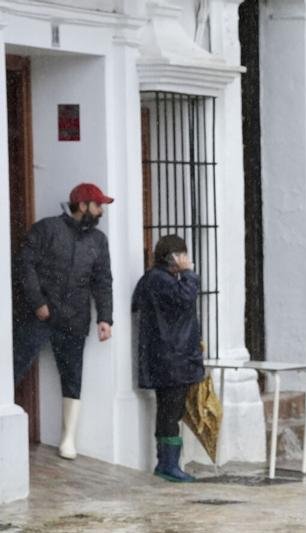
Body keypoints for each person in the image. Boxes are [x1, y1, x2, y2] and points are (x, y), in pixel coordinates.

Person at [11, 182, 114, 460]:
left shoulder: (98, 241)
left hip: (75, 318)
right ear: (83, 206)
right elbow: (24, 265)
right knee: (14, 365)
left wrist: (105, 317)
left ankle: (68, 439)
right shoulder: (46, 229)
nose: (102, 211)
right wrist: (38, 303)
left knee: (72, 378)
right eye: (98, 205)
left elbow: (103, 281)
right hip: (39, 316)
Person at [132, 235, 204, 483]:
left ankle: (169, 463)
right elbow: (185, 300)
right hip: (172, 358)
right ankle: (167, 465)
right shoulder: (161, 280)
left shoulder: (158, 279)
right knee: (170, 412)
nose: (187, 260)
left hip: (171, 356)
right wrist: (189, 274)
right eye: (183, 255)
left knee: (170, 410)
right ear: (174, 257)